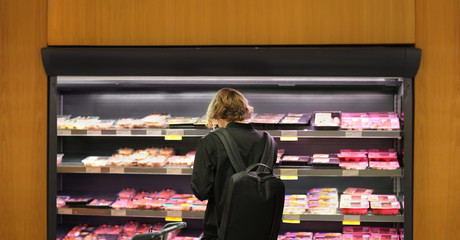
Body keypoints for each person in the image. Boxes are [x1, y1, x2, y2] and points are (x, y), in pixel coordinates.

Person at [191, 88, 278, 240]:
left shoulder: (210, 142)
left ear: (216, 112)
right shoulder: (268, 142)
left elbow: (201, 191)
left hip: (221, 231)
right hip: (260, 230)